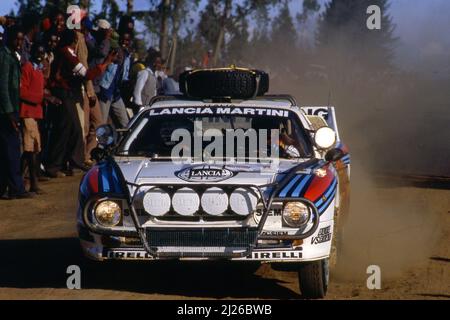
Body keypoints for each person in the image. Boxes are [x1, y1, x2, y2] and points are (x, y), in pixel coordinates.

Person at [44, 29, 116, 178]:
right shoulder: (67, 52)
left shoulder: (65, 52)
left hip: (65, 93)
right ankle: (68, 164)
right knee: (73, 128)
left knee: (67, 129)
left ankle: (59, 165)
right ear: (74, 41)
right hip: (63, 93)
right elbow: (87, 74)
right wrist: (106, 62)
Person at [0, 26, 33, 199]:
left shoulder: (11, 55)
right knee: (12, 150)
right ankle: (16, 188)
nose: (20, 43)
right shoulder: (5, 56)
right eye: (17, 39)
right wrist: (10, 113)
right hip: (6, 112)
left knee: (7, 151)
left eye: (22, 40)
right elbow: (3, 87)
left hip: (9, 110)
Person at [19, 43, 46, 194]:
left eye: (42, 53)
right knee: (30, 149)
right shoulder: (28, 67)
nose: (40, 55)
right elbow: (22, 91)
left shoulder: (38, 68)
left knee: (33, 148)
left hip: (35, 112)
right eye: (38, 52)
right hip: (28, 112)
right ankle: (32, 182)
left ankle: (18, 180)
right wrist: (39, 98)